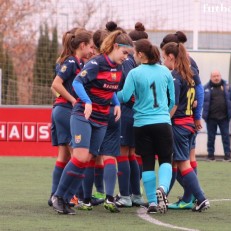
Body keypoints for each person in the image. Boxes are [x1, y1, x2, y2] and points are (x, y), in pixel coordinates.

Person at [51, 30, 133, 215]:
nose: (126, 58)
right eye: (125, 53)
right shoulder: (97, 63)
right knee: (79, 156)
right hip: (82, 115)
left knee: (87, 159)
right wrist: (86, 101)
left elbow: (109, 88)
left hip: (102, 119)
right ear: (116, 47)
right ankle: (58, 196)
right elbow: (77, 83)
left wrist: (117, 103)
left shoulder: (118, 68)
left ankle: (66, 199)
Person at [117, 38, 175, 214]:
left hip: (141, 124)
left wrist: (109, 93)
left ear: (141, 54)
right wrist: (163, 112)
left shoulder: (134, 73)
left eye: (134, 53)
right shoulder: (165, 71)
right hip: (162, 122)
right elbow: (172, 99)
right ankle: (163, 188)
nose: (133, 56)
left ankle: (151, 202)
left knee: (148, 162)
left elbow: (125, 96)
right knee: (166, 158)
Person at [162, 42, 210, 212]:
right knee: (178, 162)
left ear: (171, 57)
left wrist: (164, 120)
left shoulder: (175, 76)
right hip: (188, 124)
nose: (163, 61)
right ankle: (165, 196)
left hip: (179, 126)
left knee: (183, 164)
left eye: (164, 57)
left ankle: (201, 198)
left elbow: (173, 104)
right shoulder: (189, 74)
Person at [48, 28, 93, 207]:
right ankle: (71, 195)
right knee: (78, 154)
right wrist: (74, 99)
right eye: (90, 46)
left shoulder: (77, 62)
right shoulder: (71, 62)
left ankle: (56, 194)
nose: (92, 50)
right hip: (66, 111)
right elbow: (55, 84)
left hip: (62, 110)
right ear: (80, 45)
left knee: (65, 154)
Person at [115, 22, 148, 208]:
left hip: (127, 112)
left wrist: (111, 97)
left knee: (123, 154)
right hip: (140, 113)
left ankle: (126, 195)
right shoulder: (153, 64)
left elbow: (125, 92)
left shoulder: (126, 63)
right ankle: (135, 194)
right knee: (133, 155)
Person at [202, 70, 231, 161]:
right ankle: (210, 155)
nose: (216, 78)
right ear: (211, 77)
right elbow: (203, 101)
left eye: (217, 76)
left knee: (226, 137)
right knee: (211, 137)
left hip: (224, 117)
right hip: (211, 117)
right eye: (214, 76)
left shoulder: (227, 86)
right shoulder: (206, 88)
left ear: (220, 76)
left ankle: (227, 155)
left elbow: (230, 97)